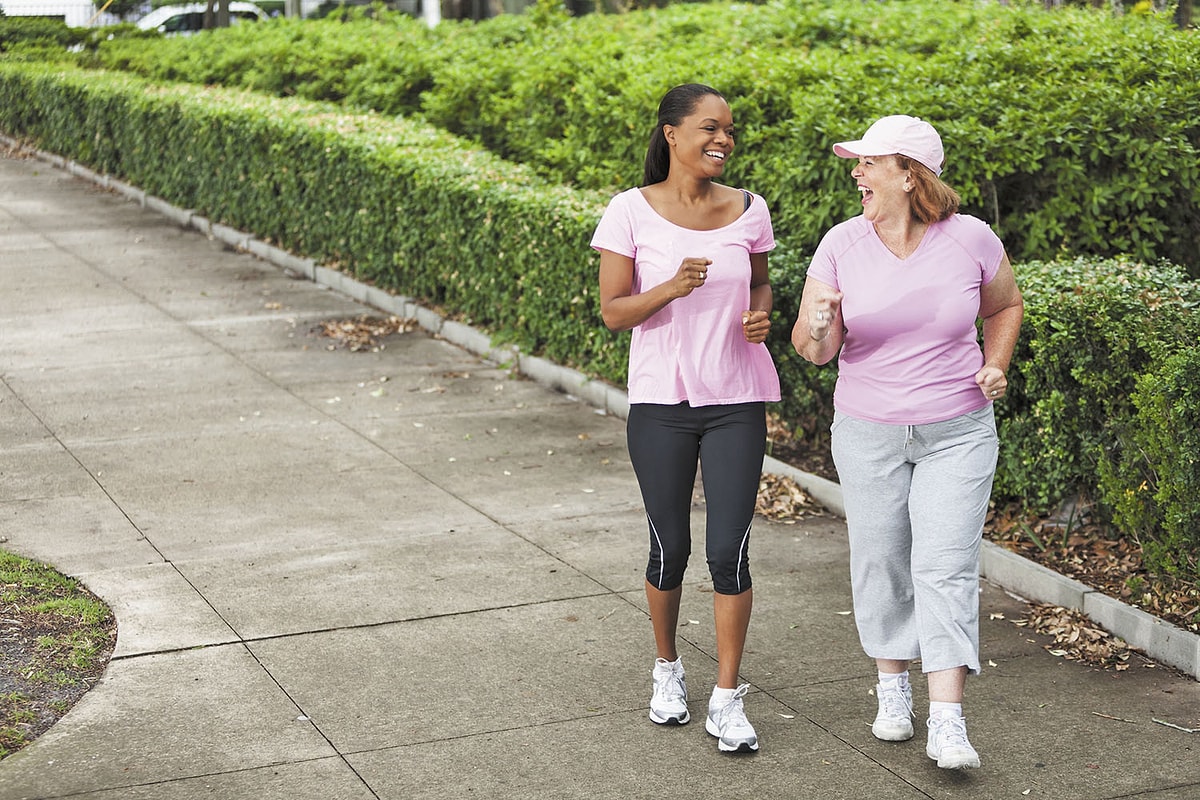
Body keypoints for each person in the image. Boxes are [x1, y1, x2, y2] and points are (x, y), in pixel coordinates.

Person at [791, 115, 1024, 770]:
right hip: (869, 432)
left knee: (944, 566)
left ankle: (948, 721)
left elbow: (1005, 306)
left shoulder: (971, 239)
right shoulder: (840, 245)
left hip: (958, 430)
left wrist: (997, 363)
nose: (857, 172)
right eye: (858, 163)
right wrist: (818, 323)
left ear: (908, 174)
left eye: (870, 163)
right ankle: (893, 687)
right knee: (882, 559)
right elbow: (813, 353)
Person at [591, 83, 780, 754]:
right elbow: (613, 312)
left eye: (729, 129)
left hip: (735, 400)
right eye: (708, 127)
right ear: (671, 133)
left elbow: (760, 280)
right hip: (662, 405)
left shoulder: (750, 210)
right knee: (669, 548)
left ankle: (728, 698)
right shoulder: (629, 212)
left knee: (730, 554)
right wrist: (670, 286)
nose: (722, 139)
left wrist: (761, 316)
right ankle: (667, 670)